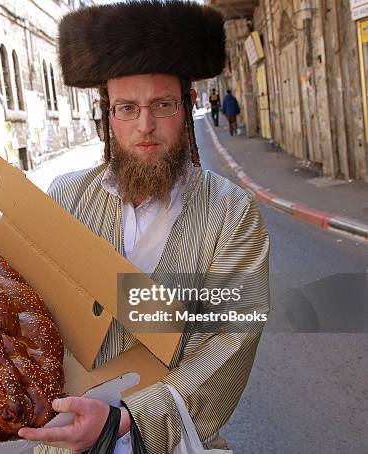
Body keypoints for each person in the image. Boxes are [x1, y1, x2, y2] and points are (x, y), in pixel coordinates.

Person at [19, 1, 270, 453]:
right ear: (107, 114)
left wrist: (128, 418)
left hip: (175, 442)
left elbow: (230, 338)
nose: (146, 127)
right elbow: (29, 312)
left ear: (188, 104)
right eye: (127, 108)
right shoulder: (64, 198)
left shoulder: (233, 213)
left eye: (163, 104)